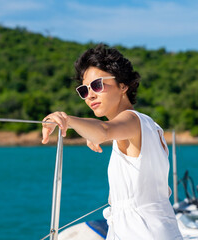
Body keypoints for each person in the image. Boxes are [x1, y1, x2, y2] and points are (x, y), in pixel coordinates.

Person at [41, 44, 183, 240]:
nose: (90, 95)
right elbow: (105, 131)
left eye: (97, 85)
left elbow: (104, 130)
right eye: (84, 90)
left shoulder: (133, 121)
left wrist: (67, 120)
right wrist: (93, 133)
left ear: (123, 85)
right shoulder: (146, 126)